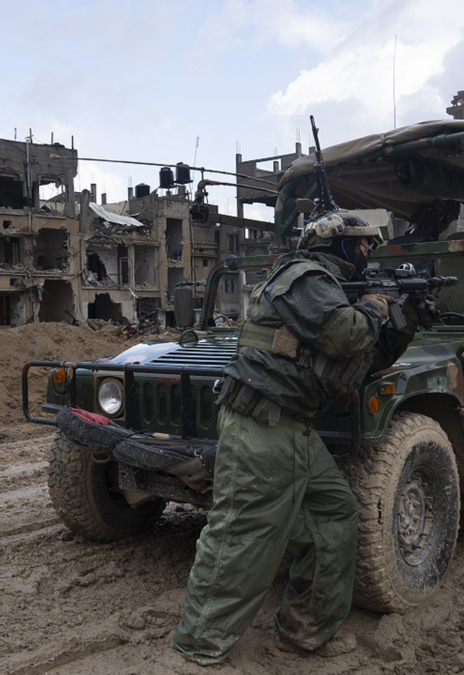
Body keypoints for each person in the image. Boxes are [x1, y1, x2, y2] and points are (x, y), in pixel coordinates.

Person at [172, 212, 415, 665]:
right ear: (337, 244)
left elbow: (356, 360)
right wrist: (375, 308)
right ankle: (198, 645)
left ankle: (304, 629)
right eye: (362, 244)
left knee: (334, 513)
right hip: (261, 424)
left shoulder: (327, 287)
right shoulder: (305, 276)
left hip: (290, 426)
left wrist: (404, 319)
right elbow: (345, 334)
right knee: (242, 532)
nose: (367, 253)